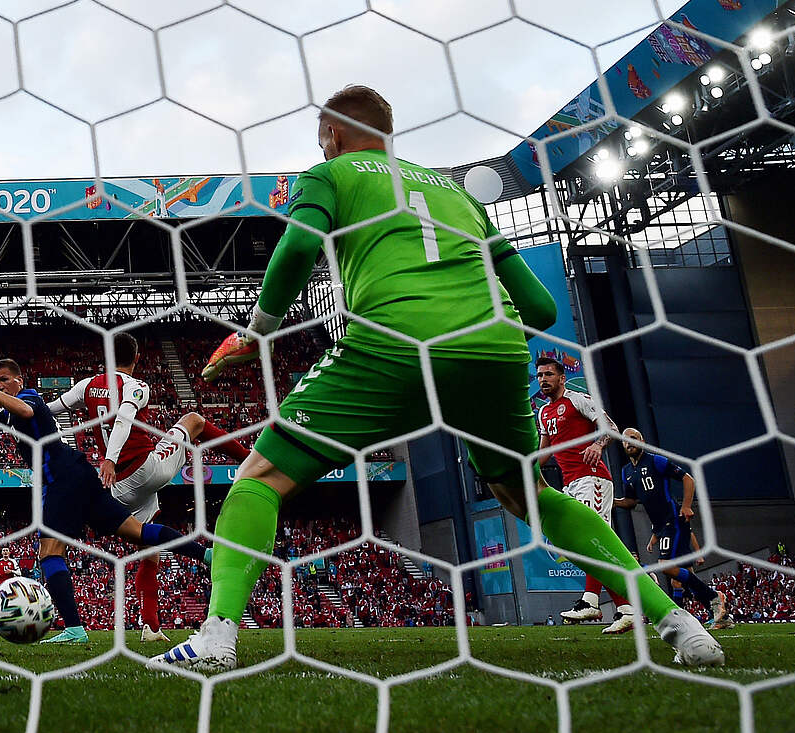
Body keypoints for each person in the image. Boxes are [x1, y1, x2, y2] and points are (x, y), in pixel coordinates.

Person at [152, 85, 723, 672]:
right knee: (530, 496)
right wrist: (473, 347)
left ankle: (217, 636)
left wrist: (257, 332)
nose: (321, 148)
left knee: (260, 477)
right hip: (494, 348)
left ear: (333, 133)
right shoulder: (457, 193)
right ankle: (679, 624)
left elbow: (298, 245)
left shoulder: (329, 175)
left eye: (321, 139)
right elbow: (542, 309)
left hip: (393, 342)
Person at [0, 359, 210, 644]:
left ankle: (74, 629)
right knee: (136, 531)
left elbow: (25, 411)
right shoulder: (9, 414)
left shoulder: (30, 397)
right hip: (79, 474)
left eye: (3, 380)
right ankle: (206, 555)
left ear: (19, 380)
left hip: (61, 479)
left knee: (50, 552)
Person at [49, 332, 249, 641]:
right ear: (137, 358)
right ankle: (250, 460)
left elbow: (49, 409)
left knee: (149, 549)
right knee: (194, 420)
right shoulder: (136, 386)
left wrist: (14, 407)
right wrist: (110, 459)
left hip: (117, 487)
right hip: (144, 470)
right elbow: (123, 420)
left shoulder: (86, 385)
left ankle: (151, 627)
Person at [534, 356, 634, 633]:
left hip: (593, 479)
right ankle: (625, 608)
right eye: (539, 375)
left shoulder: (578, 399)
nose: (543, 379)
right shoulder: (543, 413)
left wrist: (598, 445)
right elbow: (544, 452)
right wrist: (524, 471)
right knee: (585, 546)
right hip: (570, 484)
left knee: (592, 540)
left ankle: (591, 601)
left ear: (562, 378)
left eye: (548, 374)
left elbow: (611, 428)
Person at [615, 428, 734, 630]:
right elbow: (631, 501)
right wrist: (613, 502)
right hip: (661, 527)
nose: (628, 443)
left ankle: (713, 597)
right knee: (682, 573)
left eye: (633, 438)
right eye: (624, 441)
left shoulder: (656, 461)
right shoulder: (626, 471)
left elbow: (688, 479)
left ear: (642, 441)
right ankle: (719, 613)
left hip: (673, 520)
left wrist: (686, 506)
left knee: (666, 566)